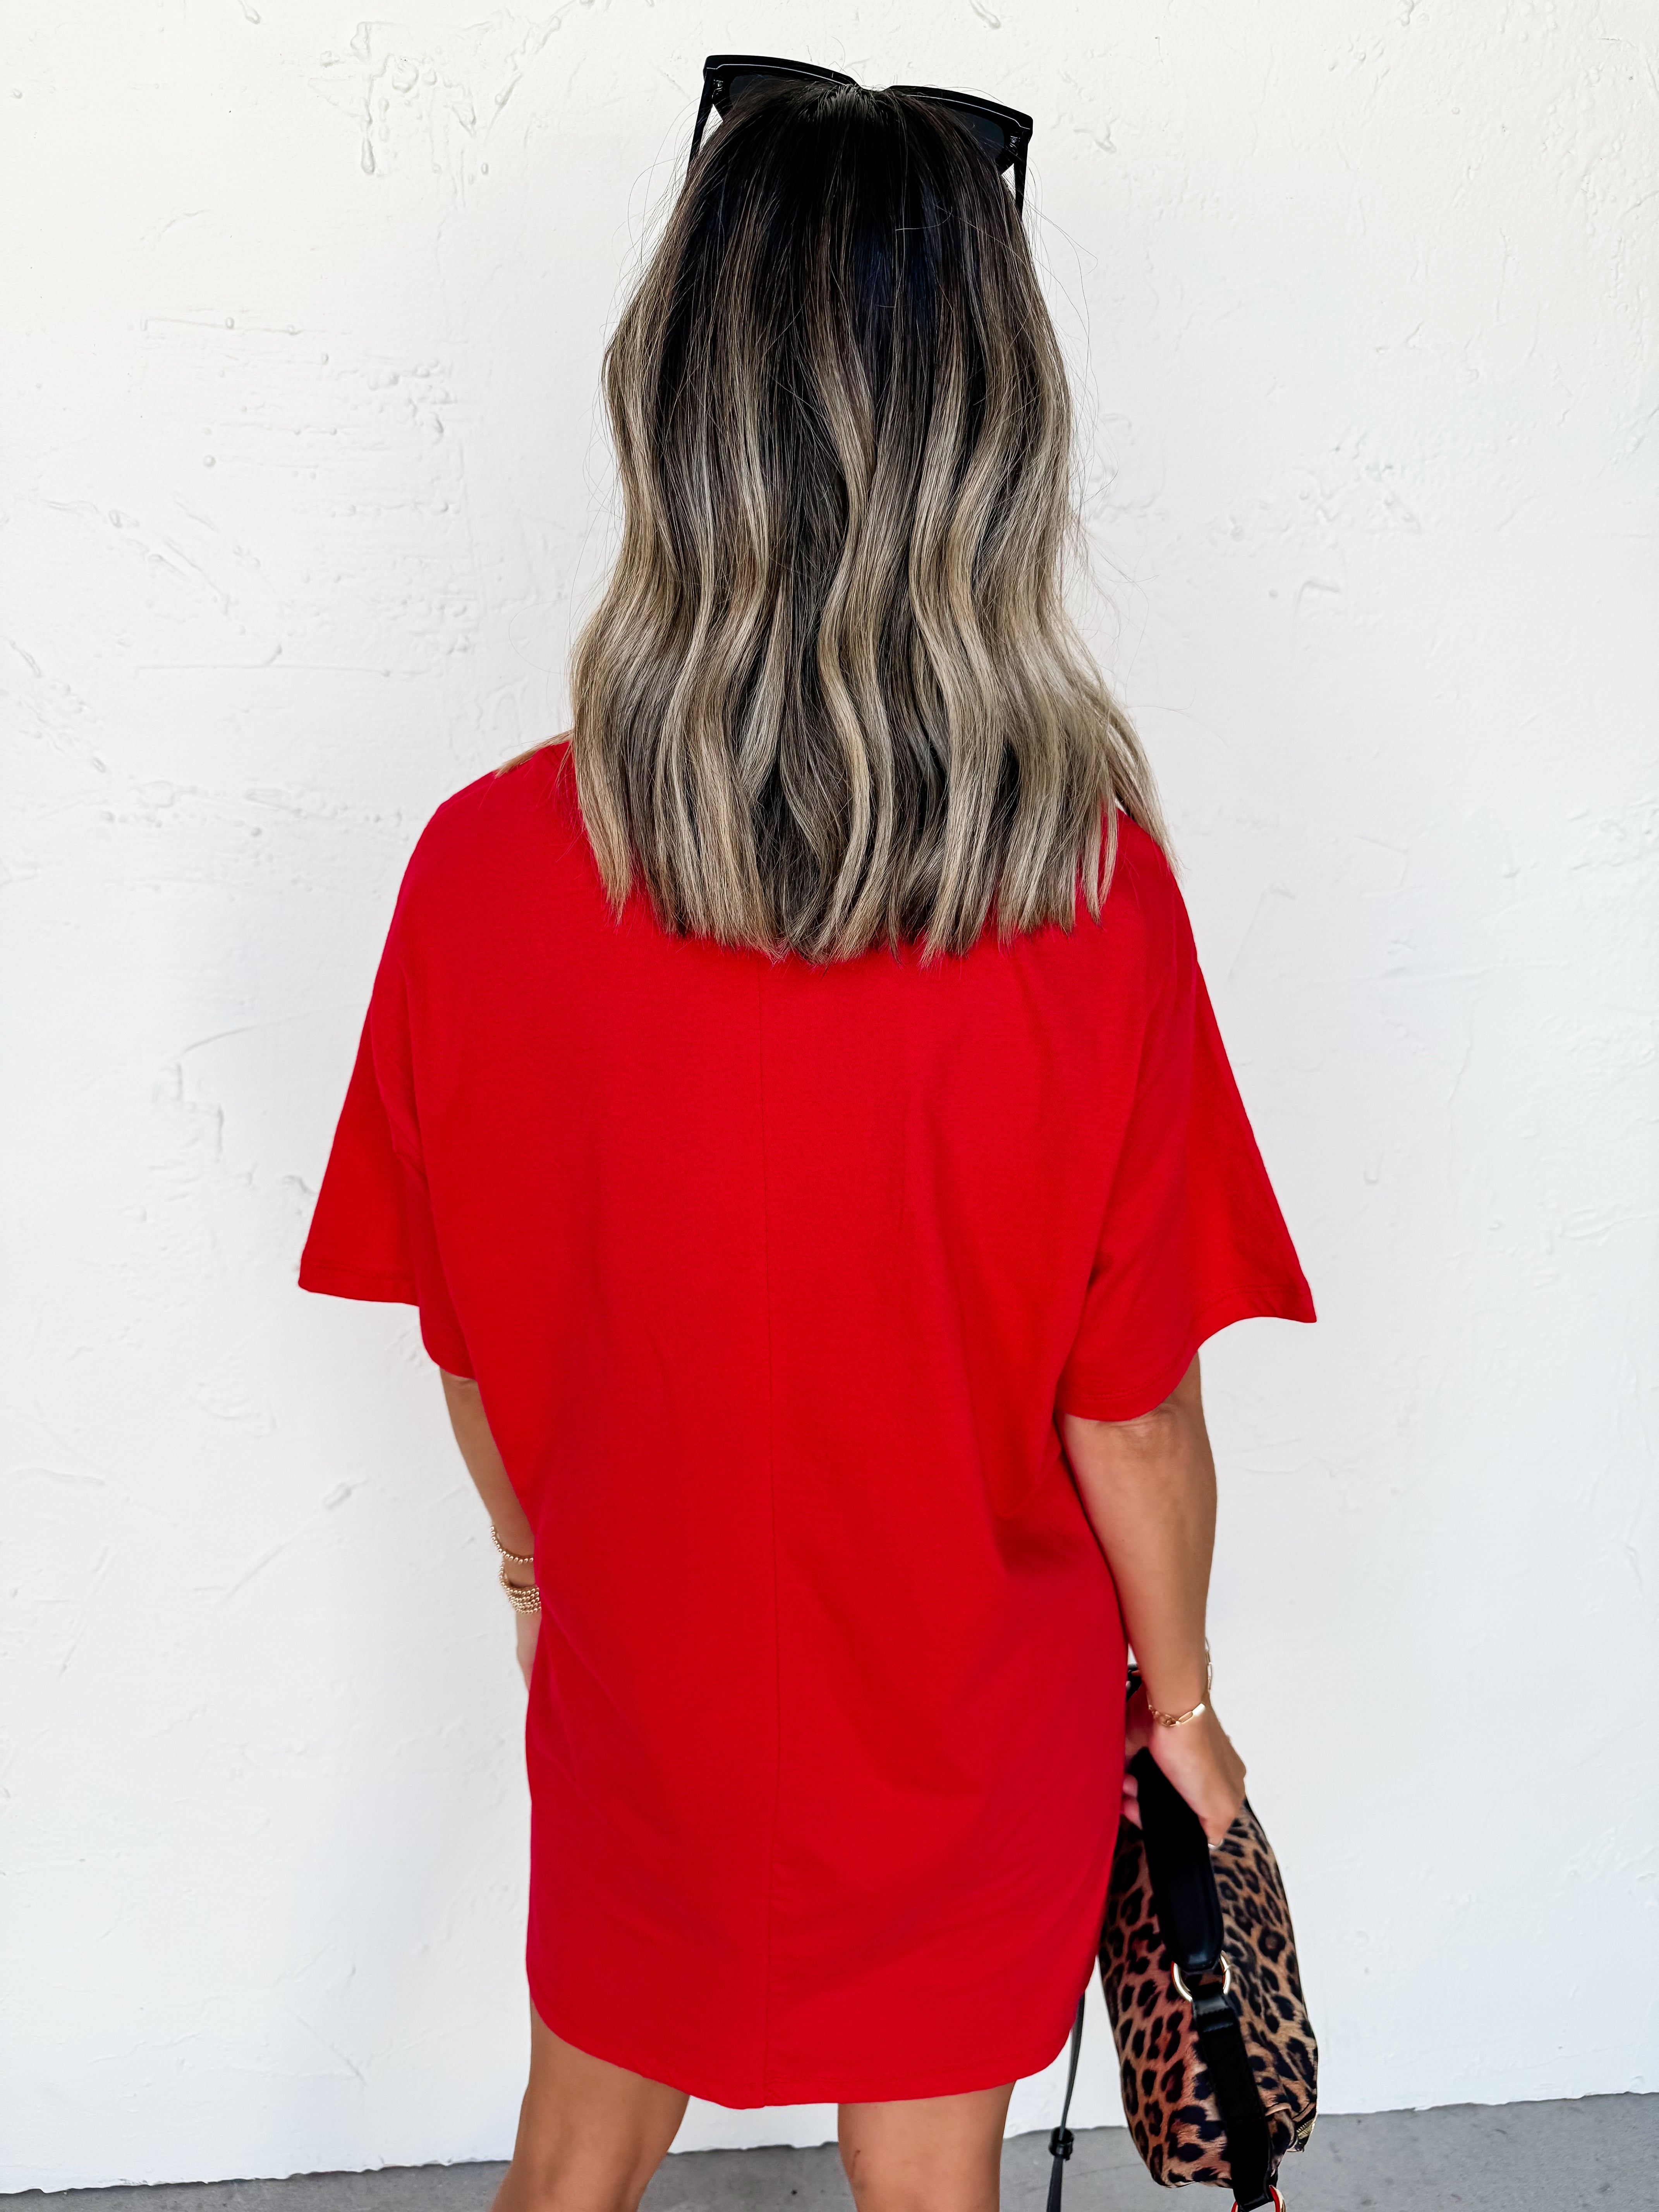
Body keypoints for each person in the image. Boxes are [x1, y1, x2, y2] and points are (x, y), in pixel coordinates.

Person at [298, 60, 1315, 2212]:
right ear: (990, 447)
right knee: (929, 2187)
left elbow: (466, 1340)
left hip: (643, 1686)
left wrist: (541, 1578)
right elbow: (1132, 1417)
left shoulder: (480, 875)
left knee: (575, 2154)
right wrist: (1187, 1709)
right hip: (963, 1713)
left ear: (680, 414)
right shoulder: (1091, 902)